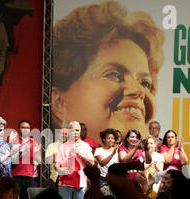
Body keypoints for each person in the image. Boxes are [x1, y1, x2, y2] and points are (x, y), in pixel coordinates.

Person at [51, 1, 165, 143]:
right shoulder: (55, 155)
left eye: (145, 83)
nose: (139, 90)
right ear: (59, 102)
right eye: (115, 75)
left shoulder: (158, 157)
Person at [54, 121, 94, 199]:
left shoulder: (85, 146)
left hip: (80, 182)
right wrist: (59, 169)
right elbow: (56, 163)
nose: (75, 132)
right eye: (72, 130)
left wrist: (81, 154)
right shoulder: (63, 147)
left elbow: (92, 163)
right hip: (64, 181)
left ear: (80, 132)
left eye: (77, 130)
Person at [8, 120, 41, 199]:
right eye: (23, 127)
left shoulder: (34, 143)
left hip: (31, 177)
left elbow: (39, 161)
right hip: (16, 176)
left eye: (28, 128)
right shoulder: (14, 142)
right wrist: (25, 150)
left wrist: (34, 152)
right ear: (19, 129)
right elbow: (12, 160)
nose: (25, 129)